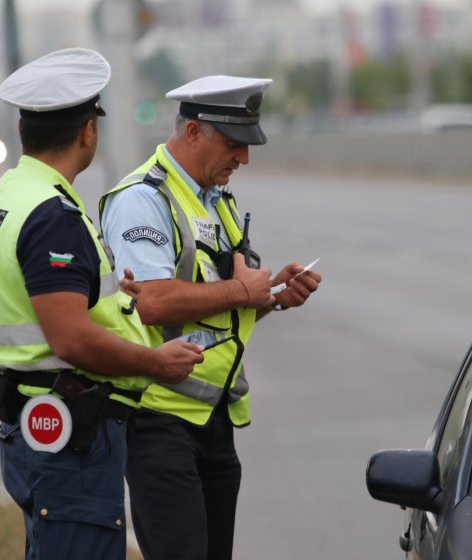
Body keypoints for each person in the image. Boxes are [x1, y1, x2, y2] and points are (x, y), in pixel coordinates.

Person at [0, 48, 204, 559]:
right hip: (69, 438)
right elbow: (68, 336)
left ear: (25, 132)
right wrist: (156, 362)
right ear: (88, 132)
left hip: (32, 428)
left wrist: (113, 305)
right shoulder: (51, 214)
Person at [99, 75, 322, 560]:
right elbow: (153, 302)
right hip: (160, 418)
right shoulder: (144, 199)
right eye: (234, 143)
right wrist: (242, 289)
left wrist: (273, 297)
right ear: (194, 132)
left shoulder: (217, 201)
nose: (243, 158)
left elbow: (219, 311)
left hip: (213, 420)